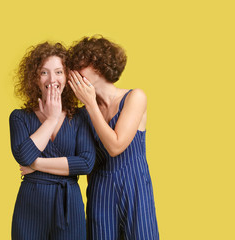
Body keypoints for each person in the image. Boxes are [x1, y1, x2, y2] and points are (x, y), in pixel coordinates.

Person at [68, 36, 159, 240]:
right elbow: (85, 160)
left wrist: (90, 104)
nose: (74, 72)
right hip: (100, 192)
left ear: (99, 65)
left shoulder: (135, 97)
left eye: (81, 64)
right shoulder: (83, 114)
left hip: (135, 189)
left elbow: (116, 146)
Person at [9, 42, 95, 240]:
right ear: (35, 79)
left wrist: (36, 164)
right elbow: (24, 155)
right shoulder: (19, 117)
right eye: (44, 72)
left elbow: (85, 163)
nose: (52, 79)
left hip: (69, 205)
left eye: (58, 72)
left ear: (67, 77)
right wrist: (52, 119)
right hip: (31, 205)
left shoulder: (81, 117)